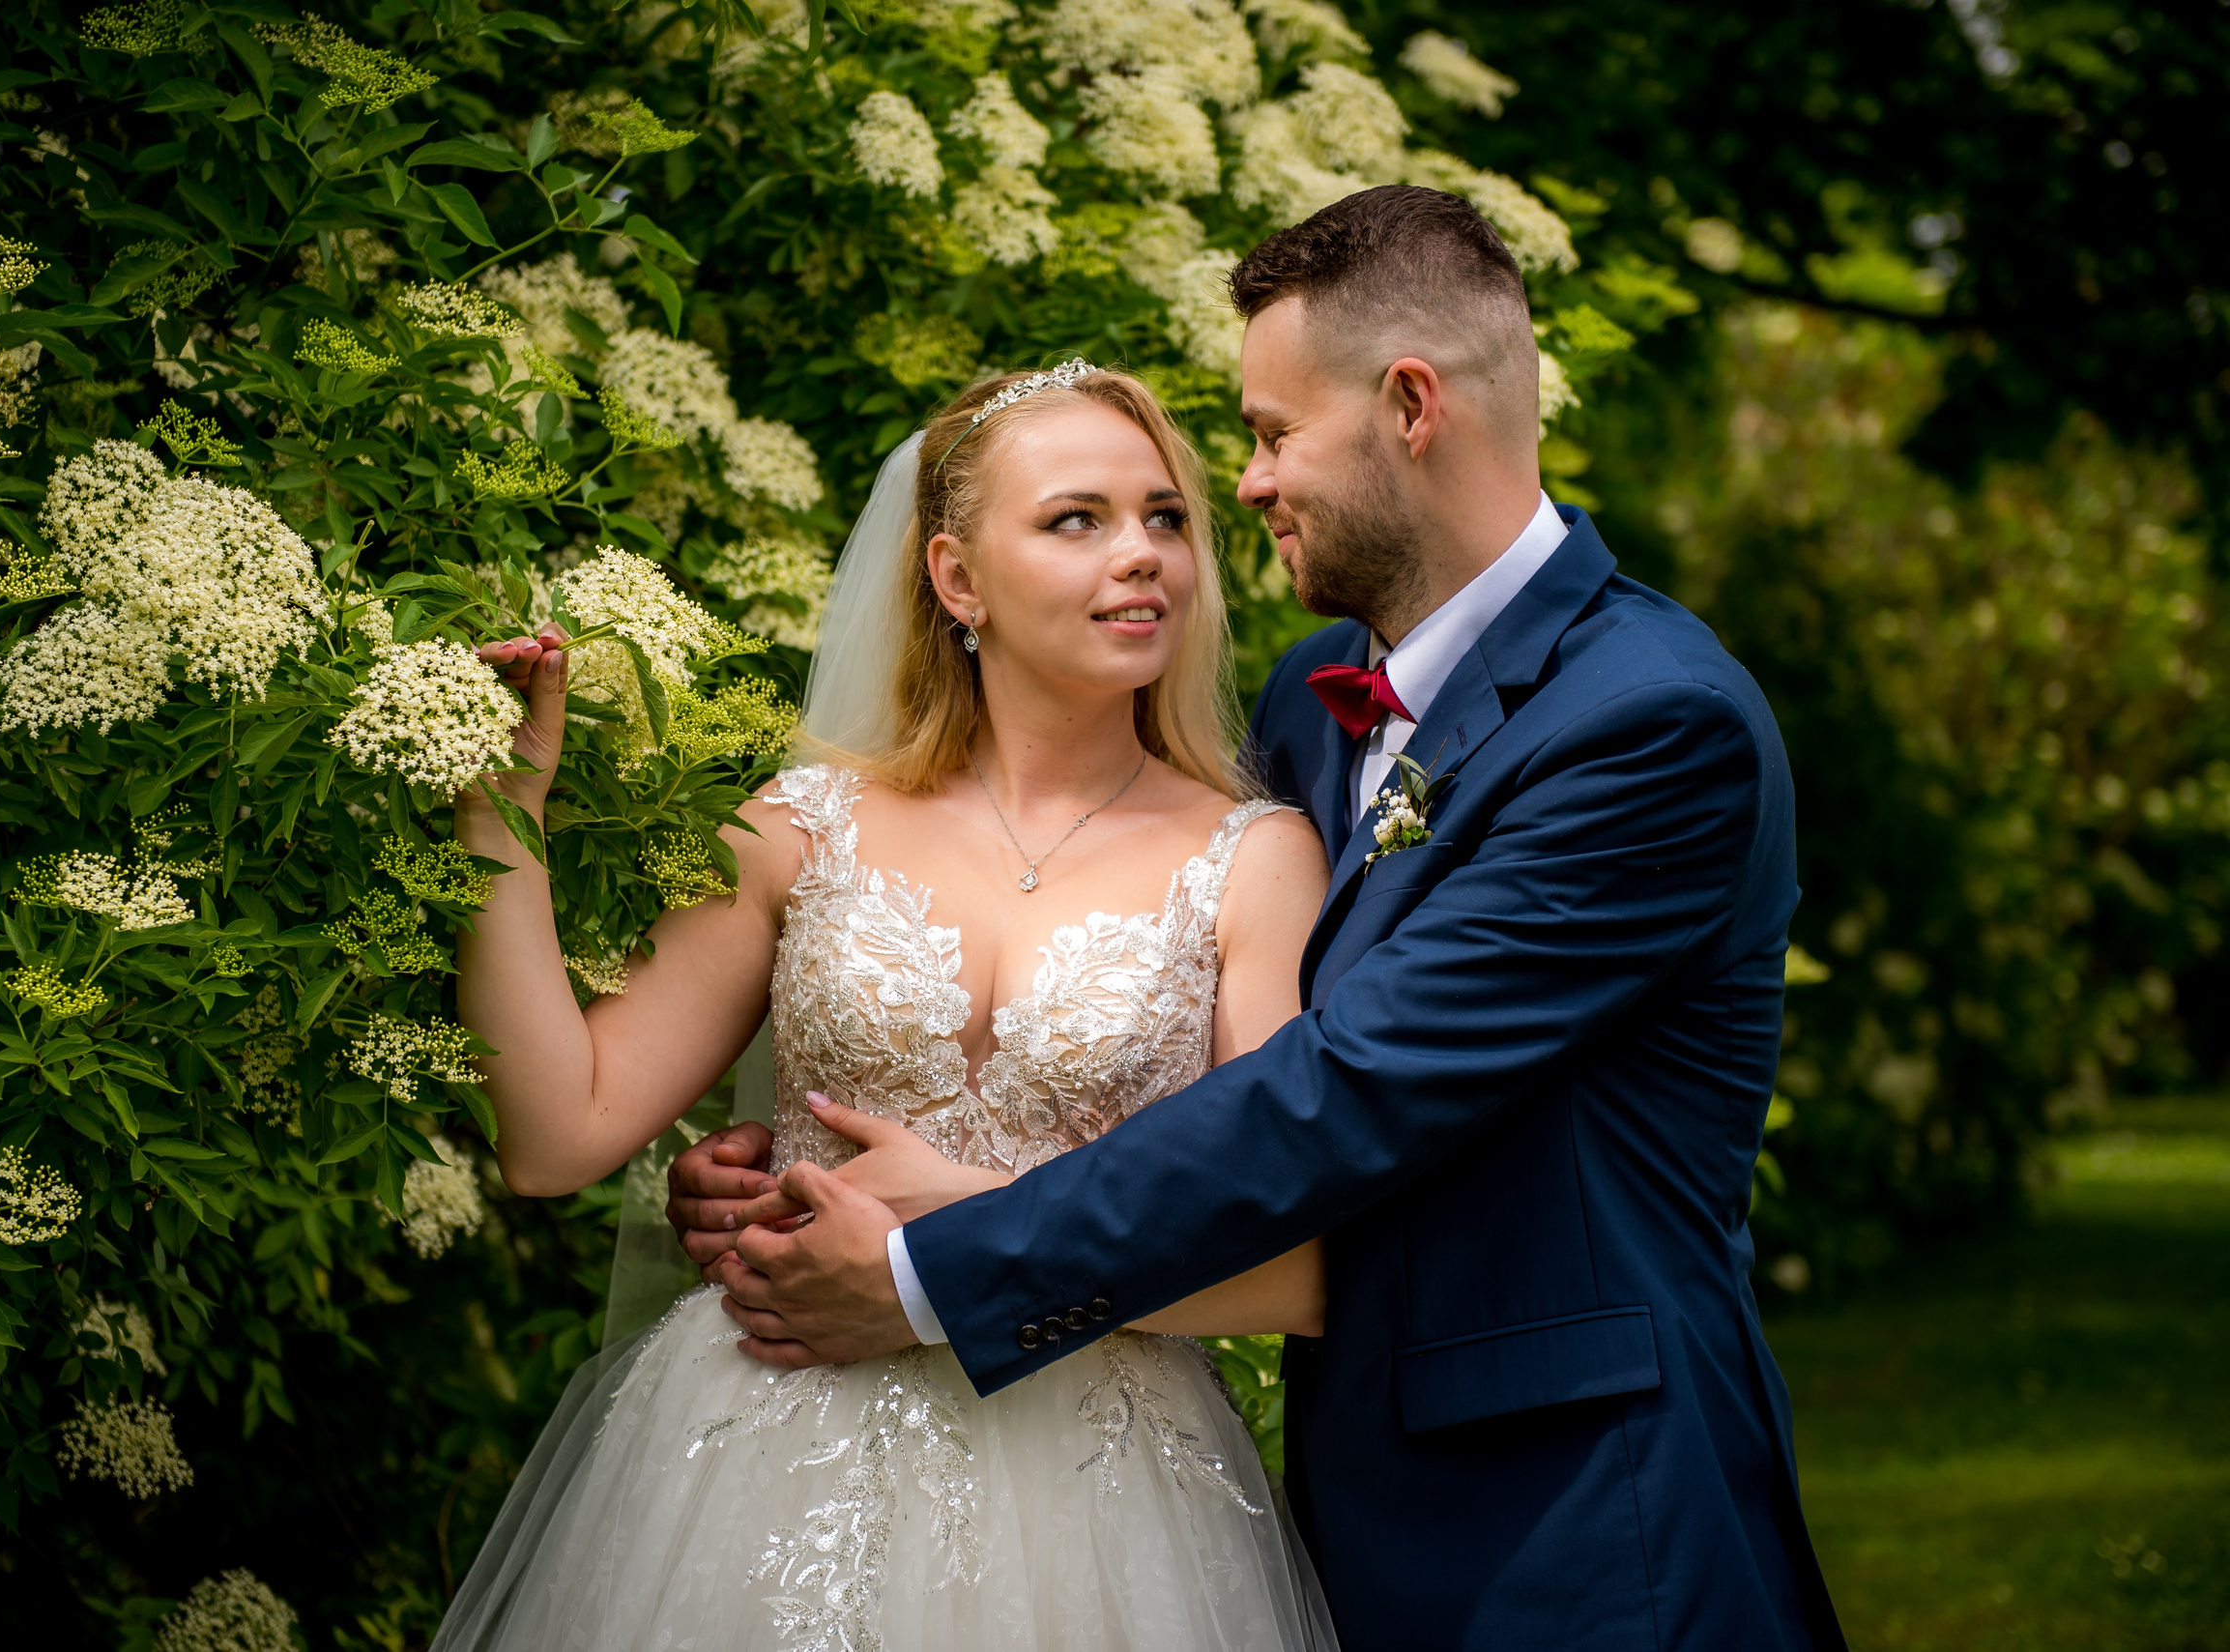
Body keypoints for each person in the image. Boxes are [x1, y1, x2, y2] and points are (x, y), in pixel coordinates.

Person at [677, 186, 1848, 1650]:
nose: (1244, 484)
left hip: (1587, 1523)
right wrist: (799, 1175)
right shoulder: (1313, 697)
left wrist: (928, 1263)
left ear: (1409, 405)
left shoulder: (1652, 723)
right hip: (1347, 1500)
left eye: (1272, 432)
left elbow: (1337, 1090)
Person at [432, 362, 1342, 1651]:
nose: (1142, 555)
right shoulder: (800, 826)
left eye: (1166, 517)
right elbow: (556, 1128)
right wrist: (501, 823)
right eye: (1076, 518)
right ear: (957, 578)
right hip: (758, 1456)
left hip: (1102, 1498)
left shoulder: (1255, 860)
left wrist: (956, 1233)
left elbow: (1295, 1266)